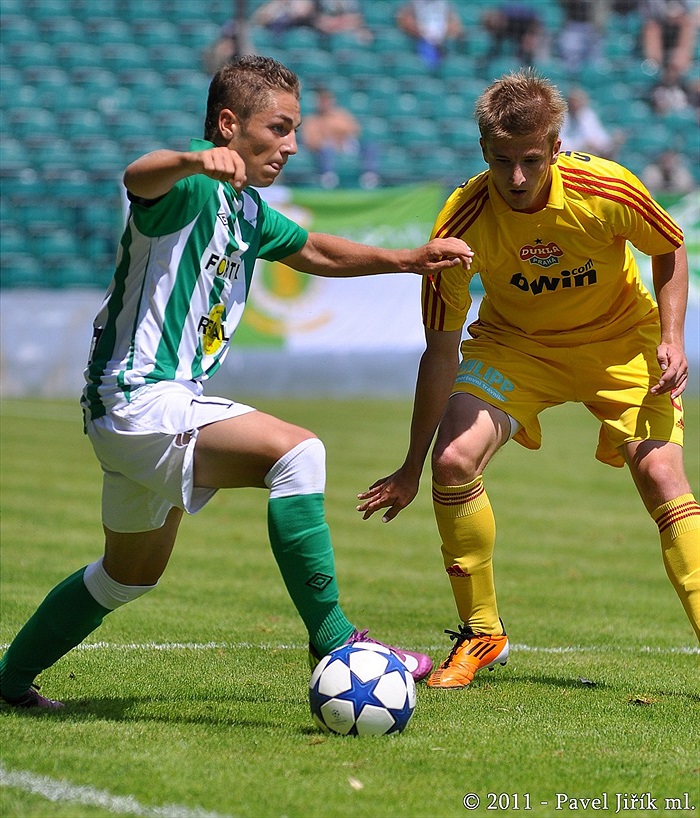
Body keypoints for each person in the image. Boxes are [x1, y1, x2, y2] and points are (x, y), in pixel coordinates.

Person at [0, 56, 474, 710]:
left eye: (295, 130)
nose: (291, 145)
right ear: (229, 124)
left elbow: (312, 250)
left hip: (146, 407)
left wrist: (409, 259)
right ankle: (335, 640)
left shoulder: (247, 210)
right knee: (298, 453)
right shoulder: (191, 183)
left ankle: (7, 681)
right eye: (279, 129)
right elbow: (138, 177)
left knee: (126, 577)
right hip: (142, 396)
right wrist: (194, 162)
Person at [357, 69, 699, 689]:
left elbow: (669, 247)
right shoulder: (458, 227)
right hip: (518, 349)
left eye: (531, 161)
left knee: (660, 475)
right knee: (454, 460)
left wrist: (672, 338)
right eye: (501, 161)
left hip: (621, 342)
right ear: (483, 151)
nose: (515, 178)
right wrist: (411, 466)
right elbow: (440, 352)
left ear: (556, 148)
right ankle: (482, 633)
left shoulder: (609, 190)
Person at [301, 87, 380, 188]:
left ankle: (369, 175)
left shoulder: (341, 114)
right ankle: (328, 177)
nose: (325, 103)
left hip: (346, 145)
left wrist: (339, 138)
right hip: (324, 149)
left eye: (328, 100)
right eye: (323, 101)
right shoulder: (312, 119)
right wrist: (329, 140)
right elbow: (310, 140)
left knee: (370, 146)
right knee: (326, 149)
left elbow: (355, 130)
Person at [396, 0, 465, 72]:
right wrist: (422, 32)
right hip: (421, 40)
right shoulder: (413, 4)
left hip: (444, 41)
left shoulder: (445, 4)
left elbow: (456, 25)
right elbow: (405, 20)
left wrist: (443, 32)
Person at [559, 86, 623, 158]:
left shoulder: (588, 115)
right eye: (574, 101)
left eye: (579, 101)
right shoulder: (561, 115)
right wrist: (581, 145)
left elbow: (599, 136)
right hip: (567, 154)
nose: (576, 104)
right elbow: (560, 140)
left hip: (589, 153)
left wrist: (610, 143)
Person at [639, 0, 697, 75]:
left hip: (679, 27)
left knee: (688, 24)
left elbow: (691, 15)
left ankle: (681, 62)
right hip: (656, 25)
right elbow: (648, 17)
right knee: (651, 27)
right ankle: (654, 61)